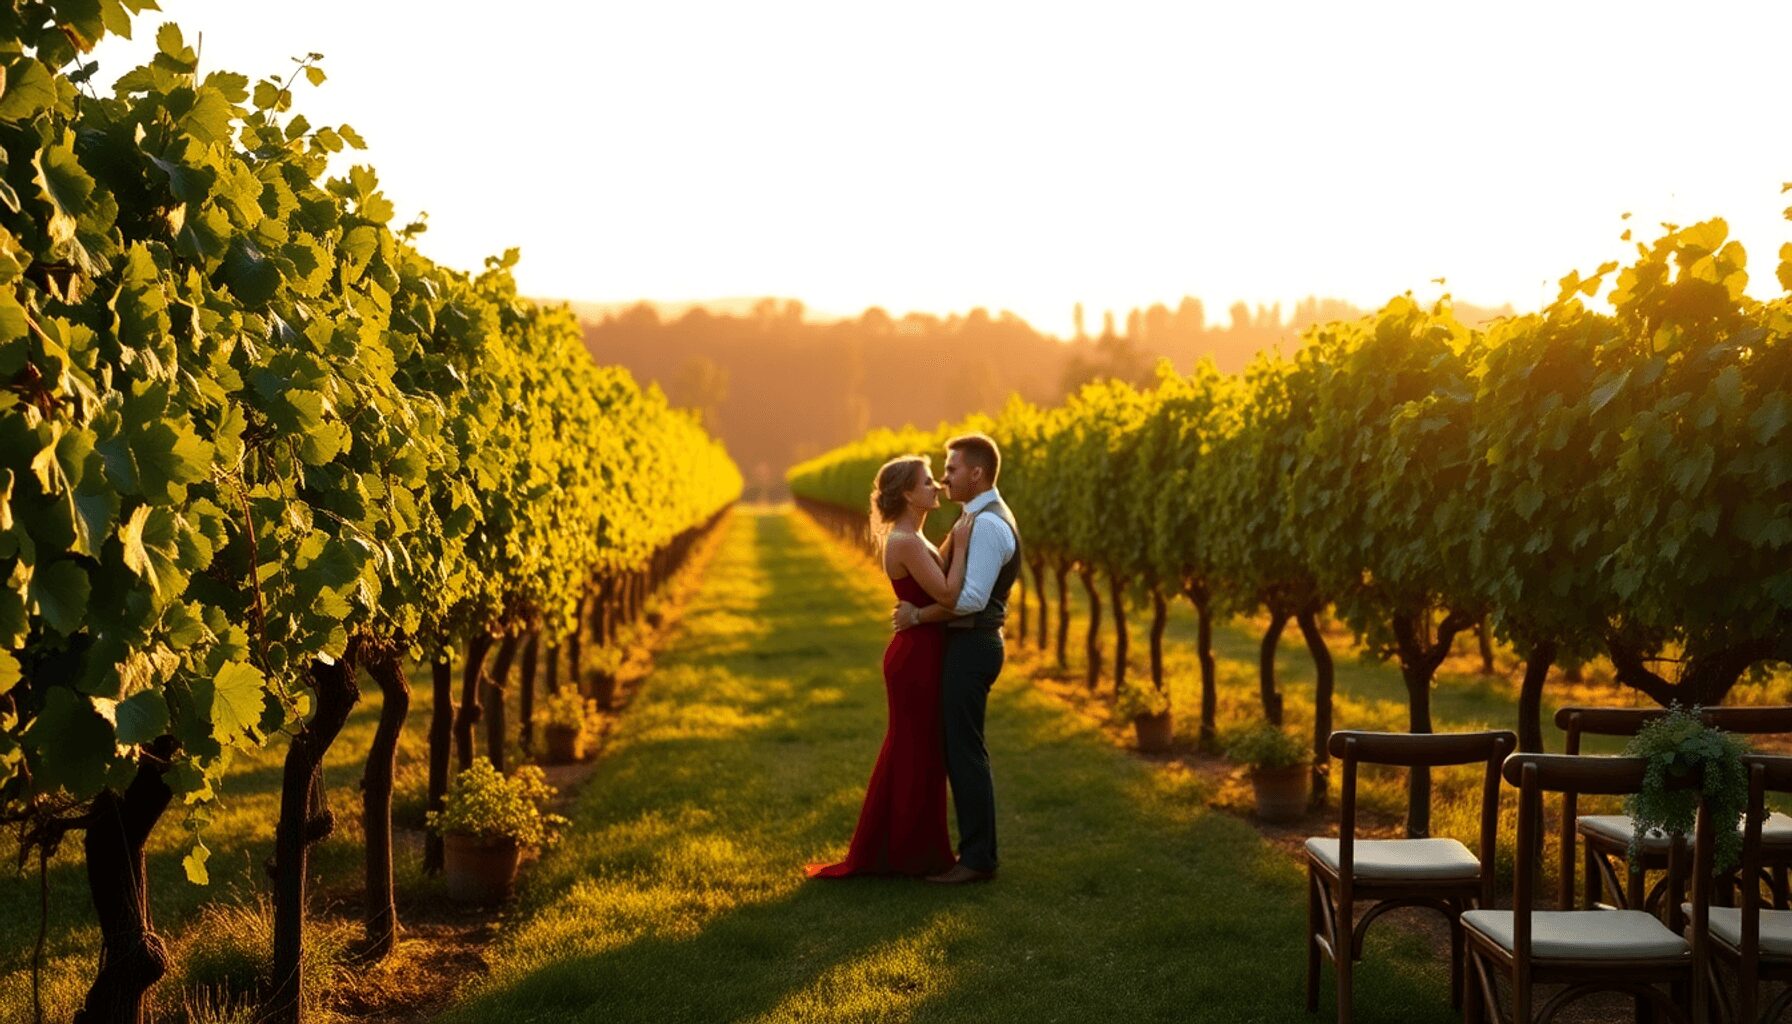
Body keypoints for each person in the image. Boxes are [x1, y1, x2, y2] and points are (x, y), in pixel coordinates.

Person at [806, 454, 969, 878]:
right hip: (916, 655)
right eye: (928, 481)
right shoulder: (907, 542)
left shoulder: (911, 537)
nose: (937, 486)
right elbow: (950, 596)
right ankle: (912, 854)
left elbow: (938, 572)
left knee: (916, 750)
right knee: (916, 751)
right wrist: (966, 543)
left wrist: (955, 537)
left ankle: (905, 849)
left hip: (919, 650)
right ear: (909, 494)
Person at [893, 432, 1019, 884]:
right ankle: (974, 852)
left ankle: (978, 860)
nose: (945, 479)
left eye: (951, 470)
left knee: (965, 751)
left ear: (977, 473)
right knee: (960, 748)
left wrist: (917, 616)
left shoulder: (986, 525)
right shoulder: (975, 519)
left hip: (974, 645)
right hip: (967, 644)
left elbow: (967, 599)